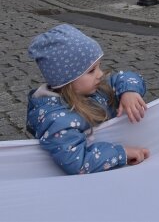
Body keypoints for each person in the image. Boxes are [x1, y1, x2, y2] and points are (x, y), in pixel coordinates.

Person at [26, 24, 149, 175]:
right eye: (91, 71)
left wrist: (129, 91)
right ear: (67, 80)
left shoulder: (98, 87)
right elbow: (77, 161)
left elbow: (126, 77)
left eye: (99, 66)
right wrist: (121, 153)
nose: (100, 74)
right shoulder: (57, 119)